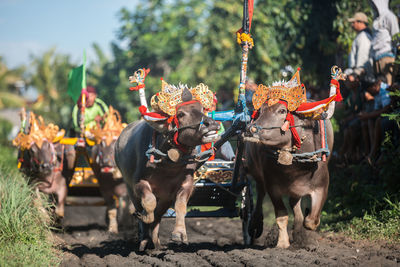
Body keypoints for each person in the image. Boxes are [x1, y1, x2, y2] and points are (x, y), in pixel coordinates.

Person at [358, 77, 392, 164]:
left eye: (369, 90)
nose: (369, 93)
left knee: (377, 121)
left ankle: (374, 153)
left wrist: (367, 115)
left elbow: (386, 110)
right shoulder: (377, 93)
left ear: (374, 86)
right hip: (385, 114)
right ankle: (372, 151)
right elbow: (377, 110)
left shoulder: (384, 90)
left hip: (391, 114)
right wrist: (366, 115)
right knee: (370, 121)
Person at [370, 0, 400, 85]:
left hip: (387, 57)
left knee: (388, 86)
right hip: (377, 59)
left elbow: (396, 37)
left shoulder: (389, 16)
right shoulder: (376, 19)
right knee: (380, 88)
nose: (373, 6)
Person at [347, 12, 374, 83]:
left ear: (360, 22)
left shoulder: (363, 37)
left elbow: (362, 57)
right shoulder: (361, 36)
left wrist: (356, 74)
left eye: (354, 22)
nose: (352, 25)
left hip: (361, 75)